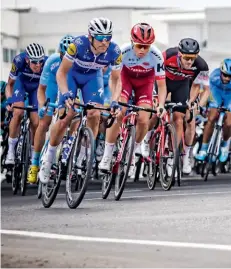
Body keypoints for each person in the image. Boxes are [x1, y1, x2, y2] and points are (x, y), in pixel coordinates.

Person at [39, 17, 123, 183]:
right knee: (67, 115)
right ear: (90, 36)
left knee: (94, 113)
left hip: (92, 78)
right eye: (100, 38)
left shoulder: (114, 51)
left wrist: (115, 100)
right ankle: (48, 160)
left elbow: (116, 80)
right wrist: (64, 94)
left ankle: (81, 158)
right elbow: (61, 73)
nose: (104, 42)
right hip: (72, 76)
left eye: (108, 38)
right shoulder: (77, 45)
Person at [99, 23, 166, 171]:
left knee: (143, 119)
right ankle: (107, 155)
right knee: (119, 112)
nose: (142, 50)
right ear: (131, 42)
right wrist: (114, 99)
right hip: (125, 79)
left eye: (146, 46)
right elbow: (114, 79)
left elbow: (161, 85)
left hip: (145, 83)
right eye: (139, 46)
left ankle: (132, 151)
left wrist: (161, 105)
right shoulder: (122, 51)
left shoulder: (156, 55)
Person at [28, 35, 74, 183]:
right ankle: (34, 164)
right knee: (43, 122)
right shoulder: (52, 61)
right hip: (53, 85)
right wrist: (42, 106)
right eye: (63, 55)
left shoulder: (78, 63)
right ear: (59, 53)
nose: (66, 58)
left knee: (71, 115)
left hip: (69, 85)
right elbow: (41, 89)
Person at [160, 38, 210, 174]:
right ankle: (147, 140)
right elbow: (155, 76)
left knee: (184, 117)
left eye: (192, 58)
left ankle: (184, 155)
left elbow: (204, 90)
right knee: (154, 112)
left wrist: (196, 104)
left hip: (184, 87)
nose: (189, 61)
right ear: (179, 54)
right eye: (186, 58)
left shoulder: (201, 66)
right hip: (163, 83)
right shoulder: (167, 55)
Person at [4, 43, 47, 166]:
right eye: (34, 62)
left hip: (36, 88)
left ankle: (34, 153)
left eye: (40, 61)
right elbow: (10, 85)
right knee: (18, 112)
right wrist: (10, 100)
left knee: (36, 122)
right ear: (27, 60)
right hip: (21, 84)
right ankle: (11, 151)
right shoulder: (18, 60)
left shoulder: (47, 63)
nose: (38, 65)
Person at [196, 59, 231, 162]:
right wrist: (203, 105)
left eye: (230, 76)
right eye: (225, 75)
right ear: (220, 72)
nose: (227, 78)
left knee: (229, 123)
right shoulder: (214, 76)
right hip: (217, 93)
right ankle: (204, 149)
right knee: (211, 119)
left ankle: (224, 146)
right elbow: (205, 91)